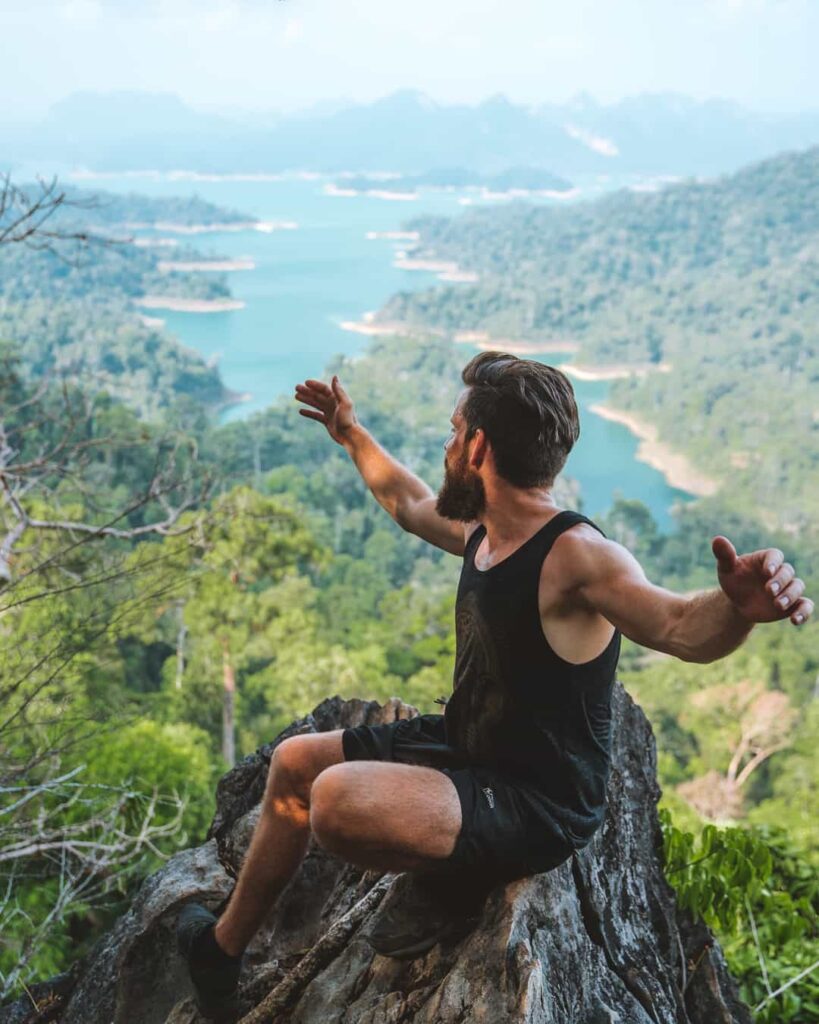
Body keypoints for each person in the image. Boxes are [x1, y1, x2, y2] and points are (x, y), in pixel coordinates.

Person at [177, 352, 812, 1020]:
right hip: (467, 745)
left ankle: (456, 877)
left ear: (478, 446)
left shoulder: (576, 556)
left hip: (535, 802)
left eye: (454, 433)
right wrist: (350, 433)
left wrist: (737, 608)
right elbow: (409, 503)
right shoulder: (486, 529)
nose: (447, 445)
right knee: (293, 764)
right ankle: (219, 952)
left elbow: (680, 627)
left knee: (335, 801)